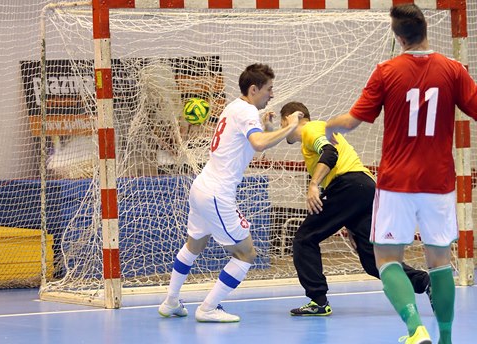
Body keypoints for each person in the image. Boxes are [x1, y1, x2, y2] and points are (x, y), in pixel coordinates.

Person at [325, 4, 477, 344]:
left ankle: (415, 328)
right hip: (438, 183)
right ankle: (447, 339)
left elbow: (352, 121)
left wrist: (328, 125)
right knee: (439, 261)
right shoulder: (453, 70)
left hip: (397, 183)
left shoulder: (386, 71)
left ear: (398, 37)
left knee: (387, 259)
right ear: (426, 31)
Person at [158, 63, 303, 322]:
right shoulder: (246, 112)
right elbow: (258, 145)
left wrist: (269, 129)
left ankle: (170, 301)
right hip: (217, 194)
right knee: (246, 254)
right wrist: (290, 126)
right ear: (254, 89)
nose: (272, 94)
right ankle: (208, 308)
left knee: (194, 245)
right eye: (269, 89)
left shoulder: (234, 107)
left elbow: (253, 143)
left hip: (202, 187)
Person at [279, 101, 430, 317]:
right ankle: (425, 282)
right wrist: (349, 220)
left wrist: (313, 185)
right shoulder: (319, 131)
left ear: (293, 117)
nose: (284, 127)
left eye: (283, 121)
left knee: (305, 238)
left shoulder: (311, 129)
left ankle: (318, 300)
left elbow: (330, 154)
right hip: (365, 188)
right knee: (371, 260)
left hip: (348, 185)